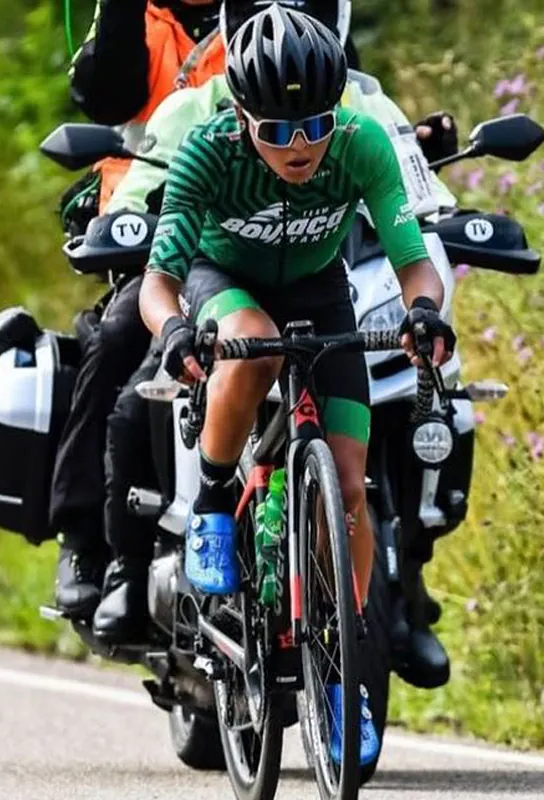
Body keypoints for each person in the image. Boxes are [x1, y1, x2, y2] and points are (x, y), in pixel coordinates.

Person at [89, 6, 462, 692]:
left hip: (319, 288)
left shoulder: (362, 141)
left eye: (316, 125)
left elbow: (415, 261)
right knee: (253, 347)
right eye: (277, 131)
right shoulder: (206, 149)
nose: (300, 146)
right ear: (240, 117)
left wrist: (424, 312)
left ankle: (348, 668)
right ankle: (208, 508)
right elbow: (160, 281)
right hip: (223, 277)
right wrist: (173, 329)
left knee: (351, 487)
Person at [47, 0, 362, 618]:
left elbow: (339, 84)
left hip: (279, 230)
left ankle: (394, 595)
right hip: (158, 223)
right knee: (120, 349)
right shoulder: (142, 19)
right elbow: (103, 95)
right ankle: (107, 553)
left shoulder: (276, 15)